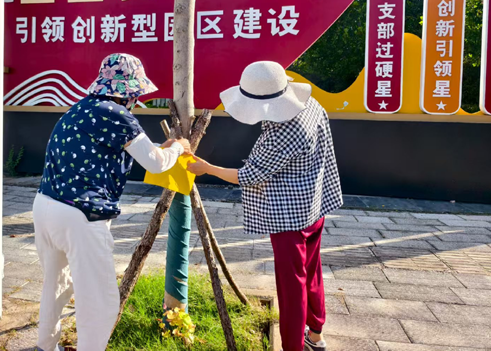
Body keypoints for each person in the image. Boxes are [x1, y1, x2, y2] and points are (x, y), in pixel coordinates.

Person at [33, 53, 190, 351]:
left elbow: (131, 149)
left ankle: (45, 346)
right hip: (81, 216)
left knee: (56, 285)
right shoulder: (117, 114)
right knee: (100, 302)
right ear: (128, 92)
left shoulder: (80, 108)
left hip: (46, 205)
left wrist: (163, 147)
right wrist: (179, 148)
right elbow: (156, 164)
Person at [187, 61, 343, 351]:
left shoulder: (282, 132)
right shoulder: (310, 105)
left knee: (291, 285)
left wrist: (207, 168)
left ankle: (293, 346)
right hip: (314, 204)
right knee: (311, 271)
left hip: (289, 217)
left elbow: (249, 175)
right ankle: (316, 335)